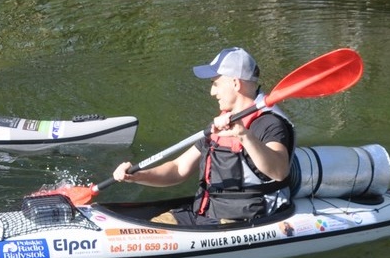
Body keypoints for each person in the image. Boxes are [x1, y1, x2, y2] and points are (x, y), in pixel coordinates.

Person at [111, 47, 294, 225]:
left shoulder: (269, 123)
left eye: (215, 83)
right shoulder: (222, 122)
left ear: (236, 83)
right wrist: (137, 176)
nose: (212, 92)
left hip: (238, 220)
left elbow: (279, 171)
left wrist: (244, 135)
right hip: (202, 213)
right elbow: (177, 169)